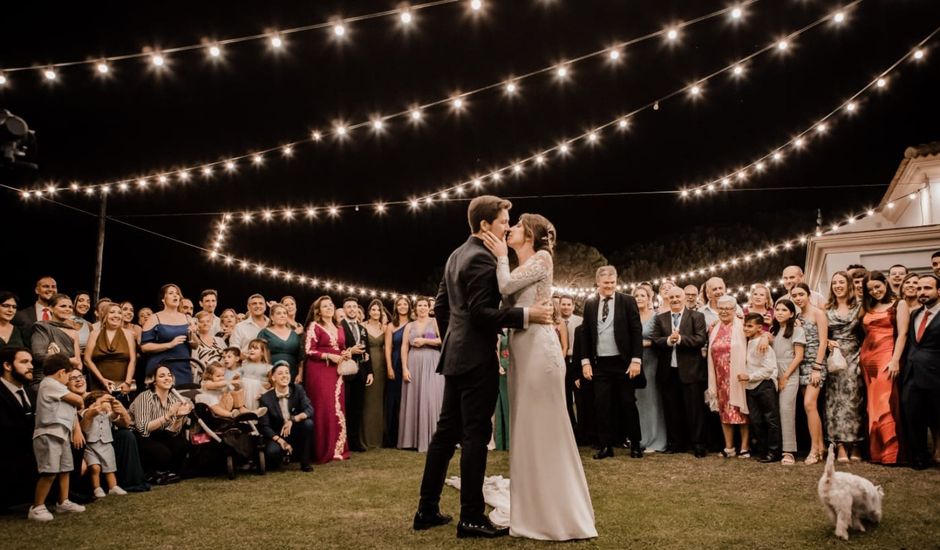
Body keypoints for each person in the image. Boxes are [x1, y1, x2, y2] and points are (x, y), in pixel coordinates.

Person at [415, 196, 554, 539]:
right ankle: (471, 517)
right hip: (475, 359)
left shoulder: (455, 255)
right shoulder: (480, 258)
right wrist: (526, 315)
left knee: (445, 435)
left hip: (455, 356)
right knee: (475, 436)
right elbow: (480, 313)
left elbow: (441, 306)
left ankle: (426, 509)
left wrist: (454, 340)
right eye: (504, 220)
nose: (507, 226)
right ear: (484, 225)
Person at [481, 212, 596, 540]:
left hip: (540, 354)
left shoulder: (542, 257)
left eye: (515, 226)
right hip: (521, 351)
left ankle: (559, 514)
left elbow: (504, 287)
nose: (509, 230)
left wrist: (501, 257)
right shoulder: (520, 267)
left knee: (545, 428)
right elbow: (506, 304)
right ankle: (532, 509)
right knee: (526, 428)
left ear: (530, 235)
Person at [581, 265, 645, 460]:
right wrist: (585, 362)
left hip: (624, 362)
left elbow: (636, 331)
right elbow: (585, 334)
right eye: (605, 283)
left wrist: (636, 360)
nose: (609, 286)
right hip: (600, 363)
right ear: (598, 283)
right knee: (602, 405)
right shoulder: (590, 303)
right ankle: (606, 446)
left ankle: (635, 444)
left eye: (612, 283)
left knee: (627, 403)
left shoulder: (627, 301)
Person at [651, 286, 708, 457]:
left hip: (690, 370)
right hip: (668, 371)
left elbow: (700, 338)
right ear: (667, 299)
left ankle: (697, 444)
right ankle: (676, 443)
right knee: (672, 408)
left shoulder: (696, 316)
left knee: (694, 409)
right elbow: (654, 340)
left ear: (684, 298)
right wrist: (668, 340)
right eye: (672, 297)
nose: (675, 299)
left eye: (678, 297)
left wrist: (681, 339)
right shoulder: (660, 318)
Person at [859, 271, 909, 465]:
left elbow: (903, 333)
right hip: (867, 361)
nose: (875, 291)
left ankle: (892, 453)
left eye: (878, 287)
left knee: (885, 402)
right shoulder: (869, 307)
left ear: (885, 283)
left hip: (887, 357)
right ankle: (877, 453)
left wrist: (895, 359)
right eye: (870, 289)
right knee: (872, 405)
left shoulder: (899, 304)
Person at [28, 354, 86, 521]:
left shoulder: (58, 388)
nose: (69, 379)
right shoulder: (49, 384)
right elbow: (77, 400)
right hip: (49, 433)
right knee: (50, 471)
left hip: (62, 434)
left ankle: (63, 501)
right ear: (61, 372)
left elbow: (73, 407)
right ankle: (37, 506)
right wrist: (79, 400)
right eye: (68, 375)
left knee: (65, 469)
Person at [303, 296, 351, 464]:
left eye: (331, 305)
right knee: (323, 406)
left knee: (336, 406)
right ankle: (322, 449)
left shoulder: (339, 327)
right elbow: (309, 350)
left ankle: (337, 448)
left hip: (336, 371)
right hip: (319, 370)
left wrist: (346, 353)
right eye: (325, 306)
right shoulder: (314, 326)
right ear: (318, 310)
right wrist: (329, 355)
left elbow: (342, 347)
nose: (329, 308)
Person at [128, 364, 192, 484]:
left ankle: (168, 472)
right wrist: (168, 415)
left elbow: (172, 432)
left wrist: (178, 417)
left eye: (169, 375)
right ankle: (152, 473)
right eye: (162, 376)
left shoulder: (174, 399)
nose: (167, 378)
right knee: (162, 453)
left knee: (181, 445)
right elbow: (143, 429)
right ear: (154, 381)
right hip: (139, 435)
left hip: (159, 433)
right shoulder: (145, 397)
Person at [824, 271, 864, 463]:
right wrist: (828, 341)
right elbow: (820, 333)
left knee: (855, 401)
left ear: (849, 285)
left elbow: (867, 332)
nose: (837, 285)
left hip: (855, 355)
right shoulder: (826, 308)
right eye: (834, 283)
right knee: (835, 402)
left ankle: (855, 444)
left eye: (841, 282)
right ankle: (839, 445)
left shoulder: (860, 307)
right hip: (834, 359)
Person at [902, 274, 940, 469]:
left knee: (937, 417)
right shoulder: (915, 314)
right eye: (920, 289)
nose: (922, 292)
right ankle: (919, 458)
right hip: (912, 374)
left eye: (927, 288)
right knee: (913, 417)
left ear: (938, 291)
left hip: (936, 376)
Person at [706, 295, 750, 458]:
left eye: (727, 308)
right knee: (724, 410)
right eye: (721, 308)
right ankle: (729, 447)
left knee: (742, 410)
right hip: (720, 377)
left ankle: (745, 446)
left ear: (734, 309)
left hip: (738, 375)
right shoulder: (713, 327)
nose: (724, 311)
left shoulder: (742, 325)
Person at [398, 297, 444, 452]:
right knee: (414, 397)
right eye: (420, 305)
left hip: (432, 362)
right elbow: (404, 347)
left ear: (428, 308)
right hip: (414, 362)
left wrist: (425, 341)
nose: (423, 308)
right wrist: (404, 368)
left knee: (431, 397)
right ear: (415, 308)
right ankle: (412, 440)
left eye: (425, 305)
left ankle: (434, 438)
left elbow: (443, 340)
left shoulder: (435, 322)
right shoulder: (409, 326)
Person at [791, 283, 829, 464]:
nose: (798, 298)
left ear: (808, 295)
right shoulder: (797, 316)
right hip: (801, 363)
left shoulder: (818, 313)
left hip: (815, 364)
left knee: (809, 404)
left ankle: (814, 450)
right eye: (795, 295)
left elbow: (823, 342)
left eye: (801, 294)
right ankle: (821, 447)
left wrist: (817, 367)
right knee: (810, 409)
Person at [740, 313, 781, 463]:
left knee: (770, 419)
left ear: (759, 328)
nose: (746, 328)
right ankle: (763, 450)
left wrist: (750, 377)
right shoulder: (747, 342)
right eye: (745, 325)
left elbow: (768, 369)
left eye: (750, 326)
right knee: (756, 420)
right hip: (750, 387)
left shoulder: (763, 345)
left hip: (764, 385)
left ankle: (774, 451)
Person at [258, 362, 315, 471]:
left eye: (287, 373)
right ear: (273, 378)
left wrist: (292, 420)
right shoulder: (265, 399)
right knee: (272, 453)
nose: (284, 375)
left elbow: (309, 410)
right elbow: (264, 426)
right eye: (280, 373)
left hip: (295, 430)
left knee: (308, 424)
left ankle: (305, 463)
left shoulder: (298, 389)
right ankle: (284, 454)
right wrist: (281, 441)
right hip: (278, 434)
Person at [0, 347, 37, 509]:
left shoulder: (30, 392)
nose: (31, 366)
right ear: (7, 366)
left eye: (31, 362)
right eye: (24, 362)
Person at [770, 299, 805, 466]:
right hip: (773, 371)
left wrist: (785, 376)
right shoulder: (774, 331)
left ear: (791, 313)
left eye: (784, 310)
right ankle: (775, 447)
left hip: (789, 372)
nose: (779, 313)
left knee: (786, 409)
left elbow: (799, 356)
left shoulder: (797, 330)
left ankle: (789, 451)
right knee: (775, 411)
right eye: (777, 309)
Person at [633, 285, 666, 453]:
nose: (639, 298)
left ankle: (655, 439)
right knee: (638, 401)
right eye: (636, 295)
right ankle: (640, 437)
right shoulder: (630, 316)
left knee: (652, 400)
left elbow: (660, 340)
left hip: (651, 360)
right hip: (634, 363)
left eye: (642, 295)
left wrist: (643, 343)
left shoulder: (655, 317)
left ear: (649, 298)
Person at [340, 297, 374, 453]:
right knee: (344, 407)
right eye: (349, 307)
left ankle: (355, 441)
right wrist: (350, 351)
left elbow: (367, 351)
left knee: (357, 408)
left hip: (361, 372)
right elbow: (337, 348)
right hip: (345, 371)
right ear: (344, 309)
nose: (352, 309)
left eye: (354, 307)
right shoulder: (339, 327)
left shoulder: (362, 328)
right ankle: (343, 441)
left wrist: (370, 371)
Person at [140, 284, 192, 384]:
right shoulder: (154, 318)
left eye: (177, 293)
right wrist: (169, 344)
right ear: (163, 299)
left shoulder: (187, 318)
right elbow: (144, 347)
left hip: (183, 367)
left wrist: (192, 333)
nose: (175, 296)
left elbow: (195, 345)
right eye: (171, 293)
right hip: (161, 368)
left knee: (184, 398)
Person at [80, 391, 128, 498]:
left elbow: (114, 416)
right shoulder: (87, 412)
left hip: (106, 444)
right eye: (104, 400)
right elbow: (86, 417)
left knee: (109, 467)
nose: (106, 404)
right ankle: (97, 488)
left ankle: (113, 486)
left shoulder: (107, 414)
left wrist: (115, 409)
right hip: (91, 445)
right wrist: (99, 406)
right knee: (95, 467)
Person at [84, 303, 136, 393]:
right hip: (98, 383)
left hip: (123, 385)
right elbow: (87, 360)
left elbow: (133, 360)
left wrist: (127, 383)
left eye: (119, 313)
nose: (116, 315)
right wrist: (102, 380)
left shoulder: (128, 334)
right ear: (105, 315)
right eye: (112, 312)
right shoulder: (94, 334)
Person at [30, 293, 82, 375]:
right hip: (46, 376)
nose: (68, 309)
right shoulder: (42, 327)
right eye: (63, 306)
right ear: (50, 308)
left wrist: (77, 376)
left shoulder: (73, 331)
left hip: (68, 376)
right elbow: (38, 356)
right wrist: (67, 360)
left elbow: (78, 362)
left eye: (70, 307)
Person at [384, 296, 411, 448]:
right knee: (394, 399)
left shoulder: (413, 323)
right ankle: (393, 438)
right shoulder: (391, 326)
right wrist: (389, 367)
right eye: (399, 304)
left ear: (409, 306)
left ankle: (409, 435)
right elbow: (387, 348)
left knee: (409, 398)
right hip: (395, 362)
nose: (402, 306)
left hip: (411, 362)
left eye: (405, 304)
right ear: (395, 307)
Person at [362, 299, 387, 449]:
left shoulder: (385, 328)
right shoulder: (362, 326)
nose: (375, 312)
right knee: (367, 400)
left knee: (379, 401)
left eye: (378, 310)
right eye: (373, 309)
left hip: (382, 365)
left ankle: (378, 437)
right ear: (369, 311)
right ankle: (365, 437)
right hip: (367, 364)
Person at [258, 304, 303, 383]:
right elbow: (259, 355)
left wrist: (300, 374)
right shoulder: (264, 333)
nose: (282, 315)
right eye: (279, 313)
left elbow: (301, 357)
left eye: (284, 313)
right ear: (272, 317)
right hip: (271, 373)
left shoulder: (294, 334)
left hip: (292, 373)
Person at [558, 295, 582, 434]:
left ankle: (583, 429)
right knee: (565, 398)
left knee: (580, 399)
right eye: (563, 304)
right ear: (559, 305)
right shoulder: (555, 322)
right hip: (563, 362)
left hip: (577, 363)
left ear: (573, 306)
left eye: (568, 304)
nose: (566, 307)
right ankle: (571, 430)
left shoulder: (580, 321)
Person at [14, 275, 57, 343]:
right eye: (46, 286)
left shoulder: (62, 314)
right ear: (37, 290)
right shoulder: (21, 315)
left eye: (53, 287)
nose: (50, 289)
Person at [190, 310, 227, 382]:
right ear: (196, 324)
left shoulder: (219, 340)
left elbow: (228, 357)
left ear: (211, 323)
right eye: (202, 321)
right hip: (205, 378)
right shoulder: (195, 341)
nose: (205, 324)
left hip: (223, 376)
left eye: (208, 321)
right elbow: (194, 364)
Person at [494, 330, 510, 450]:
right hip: (503, 369)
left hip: (515, 367)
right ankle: (503, 442)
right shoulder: (500, 331)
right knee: (504, 404)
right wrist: (498, 365)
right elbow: (497, 349)